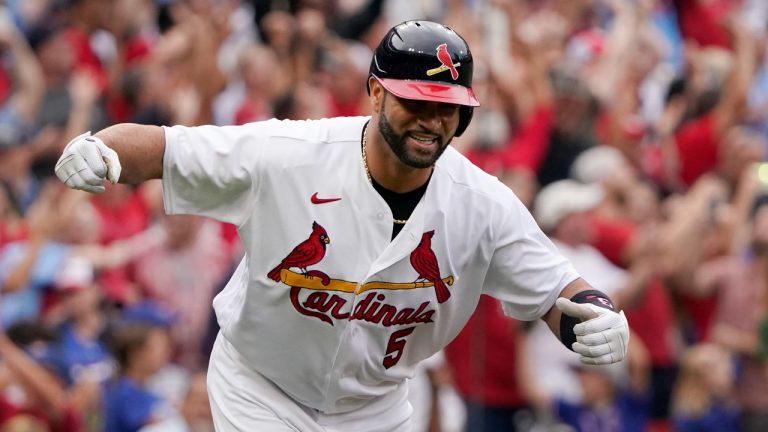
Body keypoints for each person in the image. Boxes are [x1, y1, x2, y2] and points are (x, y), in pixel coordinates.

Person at [53, 20, 630, 432]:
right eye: (416, 101)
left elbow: (559, 292)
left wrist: (598, 315)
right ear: (376, 91)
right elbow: (164, 149)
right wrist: (99, 147)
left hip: (376, 407)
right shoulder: (288, 152)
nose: (432, 120)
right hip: (261, 385)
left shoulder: (482, 204)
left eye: (447, 107)